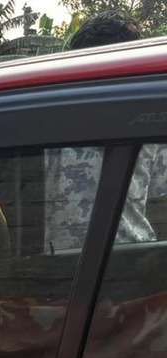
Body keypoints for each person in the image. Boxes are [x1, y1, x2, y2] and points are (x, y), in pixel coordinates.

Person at [45, 11, 167, 252]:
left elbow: (161, 205)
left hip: (130, 265)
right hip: (65, 269)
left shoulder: (153, 121)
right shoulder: (45, 120)